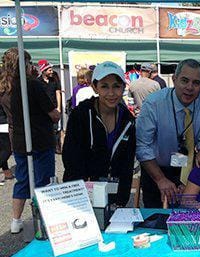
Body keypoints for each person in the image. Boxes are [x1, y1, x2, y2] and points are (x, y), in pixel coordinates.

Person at [136, 59, 200, 208]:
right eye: (184, 81)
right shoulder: (154, 104)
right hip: (156, 169)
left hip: (190, 170)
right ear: (174, 79)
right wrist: (160, 180)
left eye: (196, 83)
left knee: (190, 224)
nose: (189, 87)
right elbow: (143, 148)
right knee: (156, 224)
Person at [0, 48, 60, 233]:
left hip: (18, 139)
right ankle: (45, 220)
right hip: (40, 138)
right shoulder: (31, 85)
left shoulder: (3, 87)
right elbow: (53, 114)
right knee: (44, 180)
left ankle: (15, 221)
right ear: (23, 64)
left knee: (23, 179)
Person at [62, 61, 136, 207]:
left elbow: (127, 164)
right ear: (95, 87)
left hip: (115, 195)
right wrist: (82, 192)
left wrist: (121, 199)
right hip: (82, 195)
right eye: (104, 86)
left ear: (123, 88)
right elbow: (70, 157)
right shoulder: (81, 114)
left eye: (116, 86)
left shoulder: (128, 120)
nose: (111, 93)